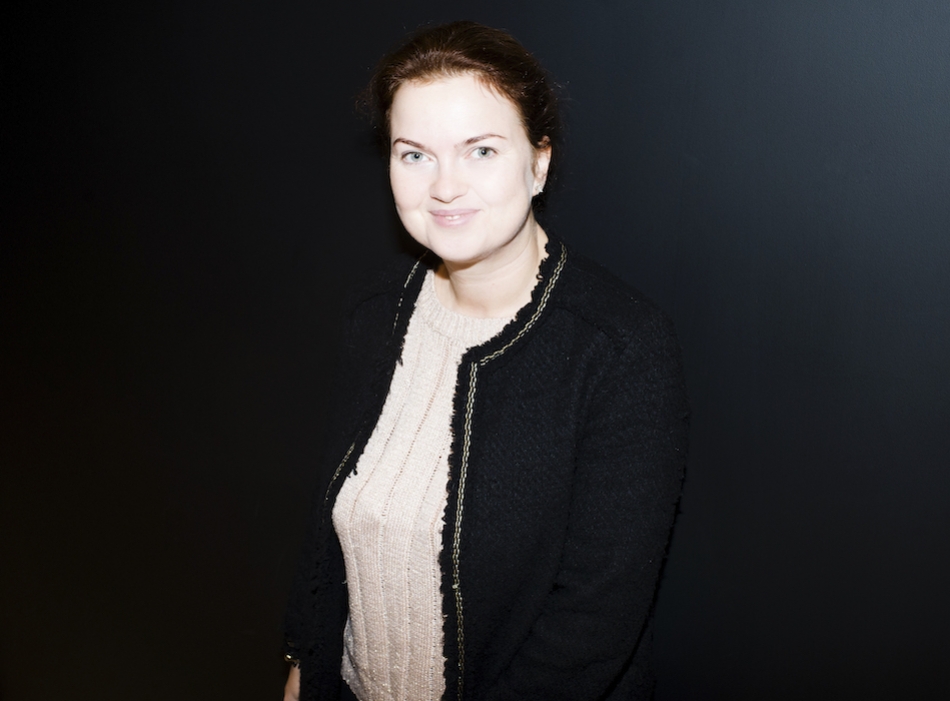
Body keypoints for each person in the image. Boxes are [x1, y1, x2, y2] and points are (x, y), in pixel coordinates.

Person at [283, 20, 688, 701]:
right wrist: (302, 660)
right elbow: (328, 538)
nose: (445, 187)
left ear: (539, 162)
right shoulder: (375, 313)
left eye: (481, 150)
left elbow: (591, 629)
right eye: (415, 155)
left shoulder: (620, 349)